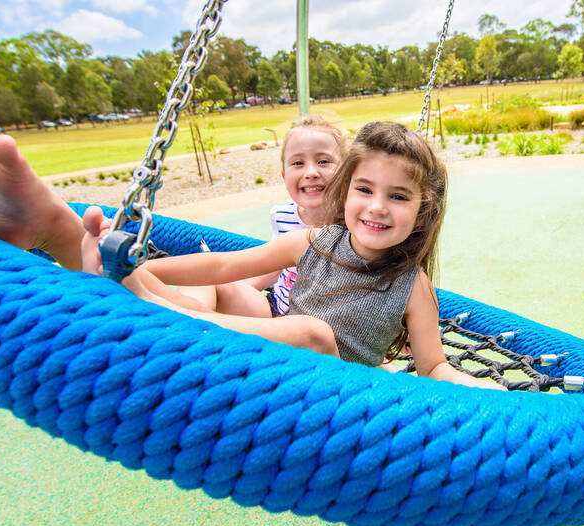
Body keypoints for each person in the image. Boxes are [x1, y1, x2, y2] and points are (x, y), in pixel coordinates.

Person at [83, 122, 506, 391]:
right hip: (277, 363)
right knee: (217, 292)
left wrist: (471, 383)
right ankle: (122, 277)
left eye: (397, 196)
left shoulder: (413, 287)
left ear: (420, 212)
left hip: (333, 393)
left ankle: (159, 313)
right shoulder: (315, 241)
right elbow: (225, 265)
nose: (377, 206)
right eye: (365, 189)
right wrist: (142, 264)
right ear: (345, 191)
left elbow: (432, 366)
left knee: (312, 332)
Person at [178, 115, 346, 318]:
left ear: (345, 173)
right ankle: (192, 331)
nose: (311, 172)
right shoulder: (282, 216)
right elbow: (275, 267)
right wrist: (247, 290)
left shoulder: (353, 225)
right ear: (284, 176)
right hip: (274, 309)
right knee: (201, 277)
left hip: (316, 326)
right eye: (298, 163)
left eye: (323, 161)